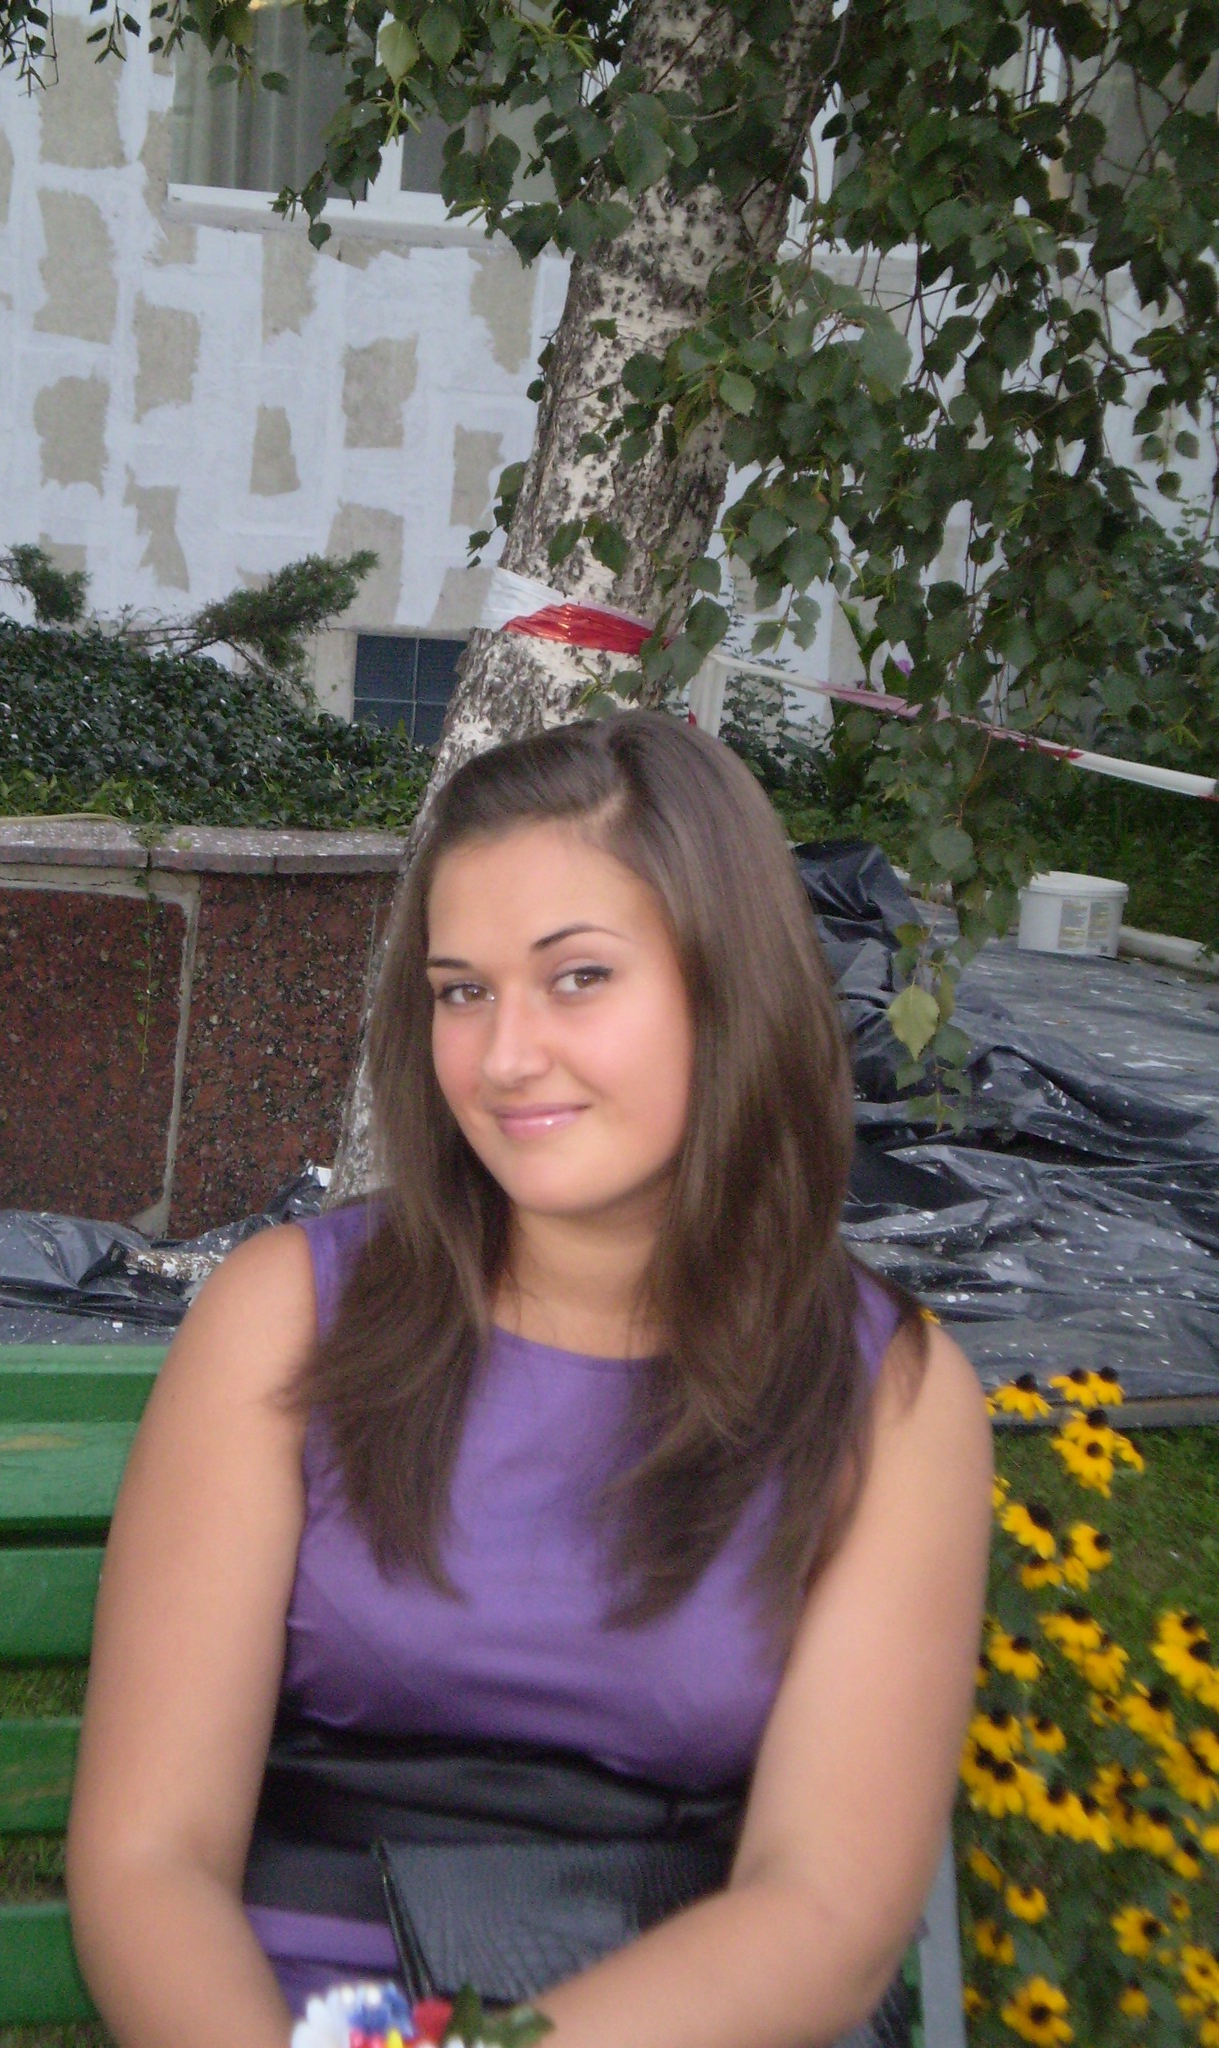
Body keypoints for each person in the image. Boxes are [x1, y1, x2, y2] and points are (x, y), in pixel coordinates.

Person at [66, 712, 993, 2048]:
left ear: (727, 985)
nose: (503, 1058)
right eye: (462, 991)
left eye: (578, 977)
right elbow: (148, 1858)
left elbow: (825, 1916)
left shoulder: (885, 1398)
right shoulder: (290, 1317)